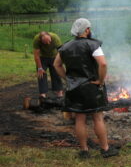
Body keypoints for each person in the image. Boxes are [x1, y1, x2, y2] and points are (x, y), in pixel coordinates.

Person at [53, 18, 119, 158]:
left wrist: (67, 79)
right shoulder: (93, 44)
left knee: (79, 119)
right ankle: (105, 149)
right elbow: (103, 64)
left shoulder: (65, 47)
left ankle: (84, 151)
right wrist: (100, 81)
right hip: (91, 87)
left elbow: (56, 65)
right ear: (87, 30)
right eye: (89, 28)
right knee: (98, 118)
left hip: (74, 88)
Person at [33, 31, 63, 99]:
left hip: (54, 56)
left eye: (49, 41)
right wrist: (40, 68)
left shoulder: (55, 38)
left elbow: (61, 52)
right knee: (41, 74)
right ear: (40, 40)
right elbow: (36, 55)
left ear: (50, 37)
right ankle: (43, 94)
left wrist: (59, 63)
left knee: (56, 73)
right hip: (42, 57)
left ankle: (59, 92)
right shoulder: (36, 40)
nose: (48, 43)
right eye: (45, 42)